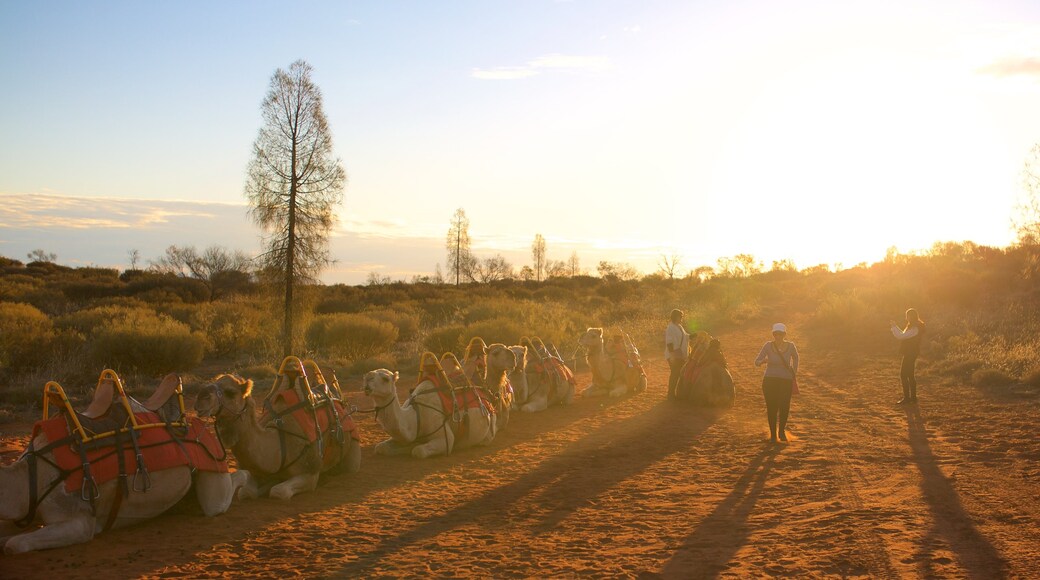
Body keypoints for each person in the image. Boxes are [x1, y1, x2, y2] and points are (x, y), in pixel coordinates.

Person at [755, 322, 799, 442]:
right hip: (770, 380)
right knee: (772, 407)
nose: (778, 336)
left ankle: (781, 432)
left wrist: (794, 371)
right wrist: (762, 361)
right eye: (776, 334)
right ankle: (773, 435)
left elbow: (796, 357)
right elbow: (757, 361)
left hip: (786, 380)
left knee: (785, 407)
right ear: (773, 334)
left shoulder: (791, 346)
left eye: (780, 334)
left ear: (784, 334)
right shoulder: (768, 346)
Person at [891, 308, 925, 404]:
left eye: (908, 316)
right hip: (911, 353)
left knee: (904, 375)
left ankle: (908, 398)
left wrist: (894, 327)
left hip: (910, 353)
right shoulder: (915, 326)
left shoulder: (915, 328)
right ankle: (912, 398)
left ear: (912, 316)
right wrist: (895, 327)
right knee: (910, 375)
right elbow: (903, 334)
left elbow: (901, 336)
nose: (907, 318)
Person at [665, 309, 690, 399]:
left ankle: (675, 393)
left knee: (678, 373)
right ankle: (671, 394)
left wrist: (696, 335)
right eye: (680, 316)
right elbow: (669, 342)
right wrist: (673, 355)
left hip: (679, 354)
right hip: (674, 354)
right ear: (675, 317)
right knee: (675, 373)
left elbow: (686, 336)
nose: (681, 318)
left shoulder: (679, 326)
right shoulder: (670, 327)